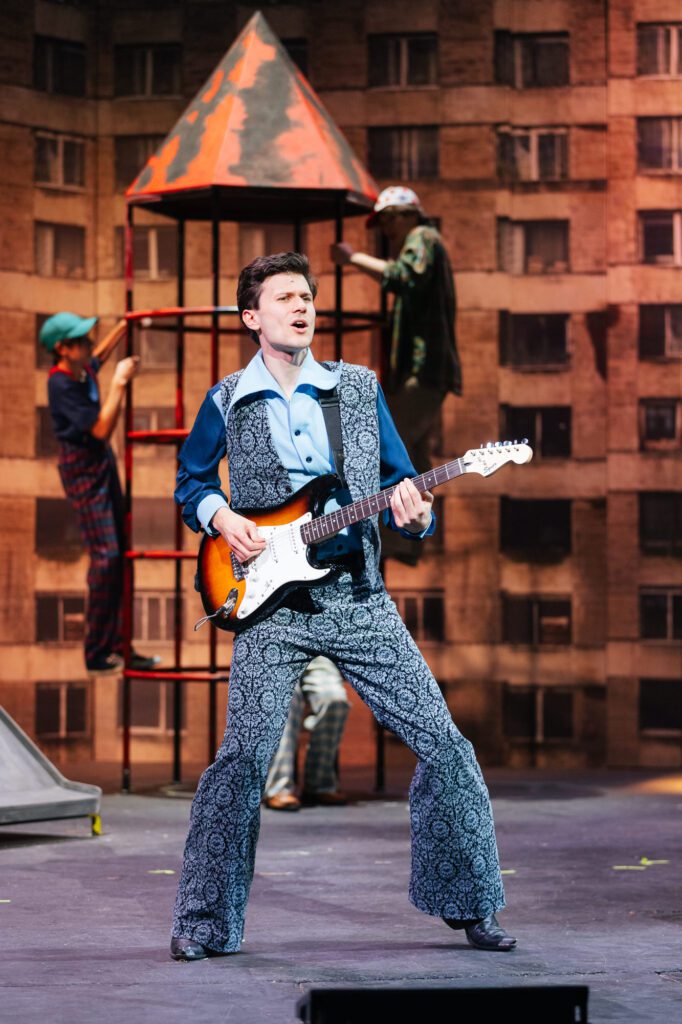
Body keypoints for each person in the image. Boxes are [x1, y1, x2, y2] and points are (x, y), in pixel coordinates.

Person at [169, 251, 514, 961]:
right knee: (242, 758)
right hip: (270, 608)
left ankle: (472, 902)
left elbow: (400, 484)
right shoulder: (226, 399)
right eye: (285, 297)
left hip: (358, 595)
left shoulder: (357, 388)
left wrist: (418, 515)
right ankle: (204, 922)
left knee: (445, 743)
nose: (301, 306)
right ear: (251, 317)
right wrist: (220, 518)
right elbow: (190, 481)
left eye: (307, 296)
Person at [331, 185, 462, 564]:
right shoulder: (424, 241)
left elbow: (404, 275)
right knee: (410, 452)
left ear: (406, 216)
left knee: (387, 449)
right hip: (419, 371)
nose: (387, 232)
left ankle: (391, 538)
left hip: (424, 371)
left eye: (388, 222)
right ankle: (403, 542)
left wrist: (353, 258)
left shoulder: (423, 238)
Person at [41, 312, 159, 675]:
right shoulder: (60, 384)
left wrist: (124, 326)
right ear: (62, 349)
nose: (89, 345)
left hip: (101, 465)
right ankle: (96, 652)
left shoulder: (81, 370)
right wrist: (119, 383)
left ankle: (121, 645)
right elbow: (101, 429)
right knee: (106, 557)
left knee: (121, 556)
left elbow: (99, 357)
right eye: (81, 341)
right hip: (83, 471)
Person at [263, 656, 350, 811]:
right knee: (285, 698)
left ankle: (319, 783)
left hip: (317, 654)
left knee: (335, 700)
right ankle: (278, 788)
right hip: (279, 652)